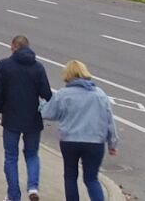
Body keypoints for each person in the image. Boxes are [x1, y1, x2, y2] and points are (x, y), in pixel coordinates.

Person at [40, 60, 118, 201]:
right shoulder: (99, 94)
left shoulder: (63, 94)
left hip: (70, 140)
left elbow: (48, 113)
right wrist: (112, 143)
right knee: (91, 178)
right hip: (95, 142)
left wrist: (42, 104)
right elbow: (109, 120)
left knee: (70, 176)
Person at [0, 34, 52, 201]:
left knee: (11, 156)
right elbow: (46, 93)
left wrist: (0, 107)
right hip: (33, 118)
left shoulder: (4, 66)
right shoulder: (38, 67)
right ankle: (33, 187)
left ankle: (13, 195)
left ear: (13, 46)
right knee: (32, 154)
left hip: (11, 117)